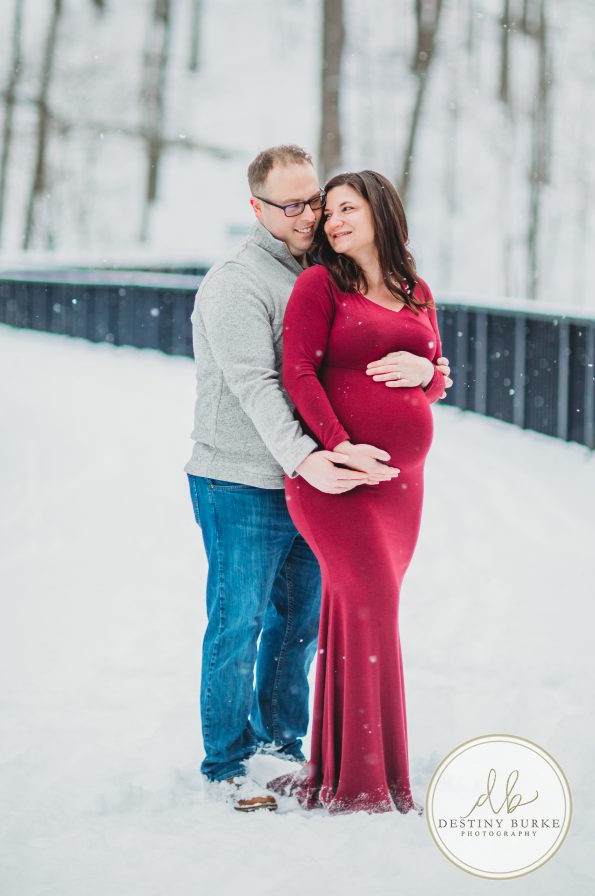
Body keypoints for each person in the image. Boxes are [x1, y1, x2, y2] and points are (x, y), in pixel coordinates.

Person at [185, 147, 452, 812]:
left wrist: (430, 374)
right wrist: (316, 456)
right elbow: (261, 382)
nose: (311, 216)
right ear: (258, 209)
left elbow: (416, 348)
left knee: (300, 621)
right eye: (294, 205)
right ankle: (226, 761)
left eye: (319, 200)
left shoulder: (331, 268)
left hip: (329, 479)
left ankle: (281, 740)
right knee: (236, 620)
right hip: (243, 476)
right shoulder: (237, 283)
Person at [267, 169, 448, 815]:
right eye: (328, 212)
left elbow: (429, 384)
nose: (333, 220)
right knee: (367, 609)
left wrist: (427, 371)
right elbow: (295, 372)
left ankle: (356, 767)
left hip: (403, 488)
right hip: (336, 482)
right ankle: (358, 782)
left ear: (379, 212)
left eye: (346, 208)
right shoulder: (321, 285)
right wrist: (338, 445)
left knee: (369, 614)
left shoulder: (414, 289)